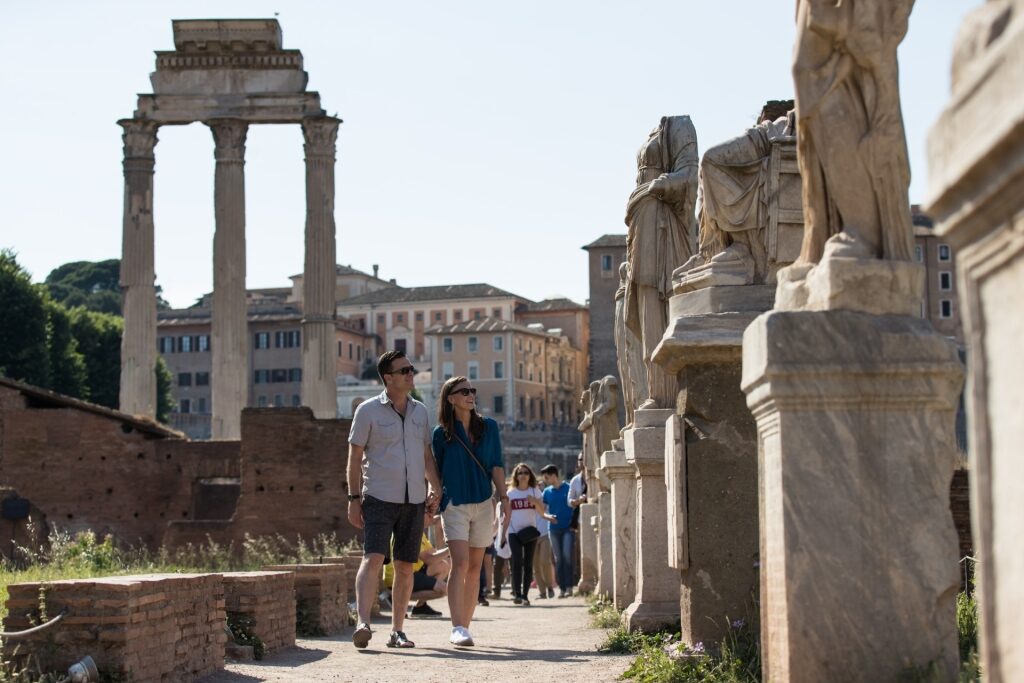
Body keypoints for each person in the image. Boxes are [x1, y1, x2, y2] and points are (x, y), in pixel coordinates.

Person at [347, 350, 442, 650]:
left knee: (405, 566)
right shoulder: (367, 411)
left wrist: (435, 488)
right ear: (388, 377)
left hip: (414, 500)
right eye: (404, 371)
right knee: (373, 558)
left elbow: (426, 455)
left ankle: (397, 631)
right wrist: (353, 498)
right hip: (378, 496)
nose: (411, 374)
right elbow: (354, 458)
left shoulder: (420, 412)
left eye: (411, 369)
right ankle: (363, 622)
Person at [431, 376, 509, 648]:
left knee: (475, 568)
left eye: (472, 390)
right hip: (454, 504)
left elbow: (496, 465)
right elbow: (437, 472)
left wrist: (504, 497)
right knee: (460, 564)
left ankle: (465, 626)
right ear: (451, 398)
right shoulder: (441, 434)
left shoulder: (489, 427)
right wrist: (434, 496)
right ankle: (457, 627)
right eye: (464, 391)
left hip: (483, 502)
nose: (470, 395)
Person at [381, 511, 450, 618]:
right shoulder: (412, 529)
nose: (432, 516)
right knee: (443, 590)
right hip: (398, 576)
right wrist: (451, 548)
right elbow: (429, 559)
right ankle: (395, 596)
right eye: (428, 513)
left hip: (413, 572)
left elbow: (436, 555)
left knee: (443, 565)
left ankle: (419, 606)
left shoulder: (419, 530)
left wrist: (438, 528)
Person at [500, 463, 545, 605]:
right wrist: (503, 535)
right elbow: (507, 516)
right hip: (514, 532)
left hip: (530, 531)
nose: (523, 475)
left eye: (526, 472)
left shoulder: (535, 491)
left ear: (530, 475)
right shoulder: (511, 493)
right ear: (516, 476)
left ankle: (525, 595)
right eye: (520, 473)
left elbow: (542, 512)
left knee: (528, 564)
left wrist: (535, 501)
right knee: (517, 561)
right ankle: (517, 594)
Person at [540, 464, 575, 598]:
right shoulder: (546, 492)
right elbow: (542, 511)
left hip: (568, 528)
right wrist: (548, 517)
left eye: (546, 477)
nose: (545, 480)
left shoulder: (568, 488)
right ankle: (562, 588)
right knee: (558, 559)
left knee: (567, 556)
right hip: (553, 529)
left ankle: (570, 586)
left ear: (554, 475)